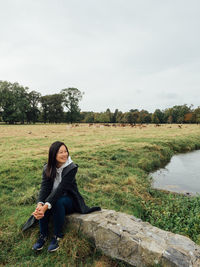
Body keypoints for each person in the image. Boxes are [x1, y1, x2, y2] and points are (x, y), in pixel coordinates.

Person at [32, 141, 100, 252]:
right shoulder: (47, 167)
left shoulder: (71, 168)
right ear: (53, 155)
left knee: (57, 202)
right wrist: (40, 204)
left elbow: (60, 189)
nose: (65, 154)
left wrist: (45, 207)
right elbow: (44, 187)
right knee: (43, 203)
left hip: (69, 200)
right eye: (61, 152)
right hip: (53, 198)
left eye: (66, 151)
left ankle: (57, 236)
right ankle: (43, 236)